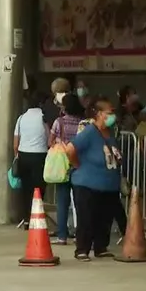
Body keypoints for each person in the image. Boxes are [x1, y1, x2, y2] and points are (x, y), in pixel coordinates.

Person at [64, 98, 127, 262]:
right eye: (109, 113)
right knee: (87, 217)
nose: (112, 116)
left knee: (104, 218)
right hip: (87, 183)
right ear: (99, 114)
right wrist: (77, 164)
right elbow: (70, 149)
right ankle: (82, 249)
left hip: (109, 185)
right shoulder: (90, 131)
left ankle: (101, 247)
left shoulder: (111, 132)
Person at [49, 93, 85, 245]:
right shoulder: (83, 123)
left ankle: (62, 236)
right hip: (78, 164)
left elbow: (50, 142)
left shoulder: (59, 122)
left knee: (62, 201)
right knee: (80, 203)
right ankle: (80, 235)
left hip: (63, 166)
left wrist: (59, 143)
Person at [13, 93, 50, 229]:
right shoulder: (44, 118)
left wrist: (17, 157)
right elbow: (49, 138)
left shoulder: (21, 118)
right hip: (40, 156)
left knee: (26, 189)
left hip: (24, 156)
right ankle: (37, 217)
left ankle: (26, 219)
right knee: (39, 189)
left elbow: (15, 143)